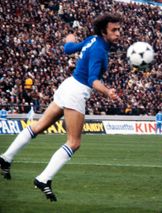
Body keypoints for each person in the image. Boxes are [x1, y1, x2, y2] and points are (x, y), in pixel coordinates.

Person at [0, 13, 121, 201]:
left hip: (67, 85)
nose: (118, 33)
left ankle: (6, 157)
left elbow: (68, 49)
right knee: (74, 142)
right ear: (103, 31)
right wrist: (107, 92)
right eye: (114, 30)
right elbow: (92, 80)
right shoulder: (99, 49)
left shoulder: (92, 40)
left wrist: (70, 39)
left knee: (39, 127)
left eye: (118, 29)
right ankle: (43, 179)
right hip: (77, 91)